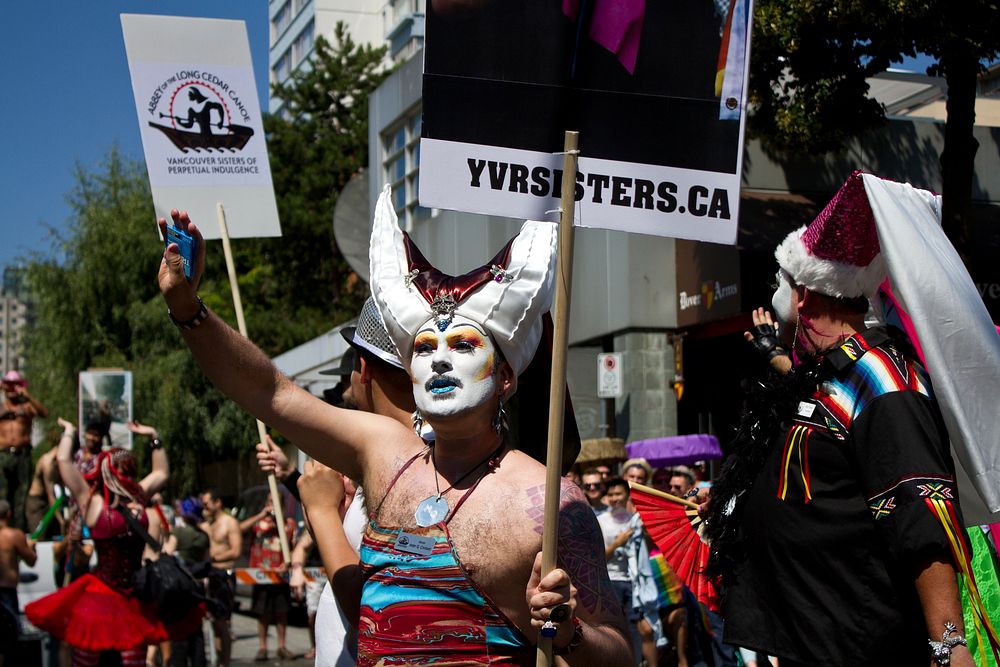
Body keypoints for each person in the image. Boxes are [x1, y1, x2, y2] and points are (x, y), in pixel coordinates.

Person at [156, 188, 630, 664]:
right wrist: (188, 308)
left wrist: (568, 631)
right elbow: (270, 392)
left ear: (505, 377)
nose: (440, 361)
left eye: (463, 345)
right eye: (424, 349)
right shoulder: (385, 453)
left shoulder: (547, 501)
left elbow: (621, 655)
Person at [707, 172, 994, 667]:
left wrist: (949, 647)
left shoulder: (882, 381)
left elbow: (920, 511)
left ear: (800, 295)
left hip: (860, 649)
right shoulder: (821, 375)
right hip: (807, 644)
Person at [256, 296, 418, 667]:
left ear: (364, 369)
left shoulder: (415, 467)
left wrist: (323, 511)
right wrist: (335, 515)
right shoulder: (394, 460)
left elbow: (371, 613)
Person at [25, 417, 183, 667]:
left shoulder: (136, 496)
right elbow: (64, 461)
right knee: (88, 658)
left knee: (133, 660)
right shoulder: (92, 500)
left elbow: (161, 472)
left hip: (133, 595)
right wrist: (70, 433)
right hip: (102, 594)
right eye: (122, 470)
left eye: (128, 470)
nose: (125, 475)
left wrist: (154, 435)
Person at [239, 496, 297, 662]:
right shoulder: (259, 524)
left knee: (281, 611)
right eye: (269, 502)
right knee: (262, 611)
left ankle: (281, 646)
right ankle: (262, 647)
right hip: (261, 575)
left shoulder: (288, 524)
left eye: (275, 502)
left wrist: (288, 562)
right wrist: (261, 514)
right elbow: (239, 529)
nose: (271, 505)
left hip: (280, 575)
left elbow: (294, 548)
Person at [1, 370, 49, 531]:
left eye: (15, 386)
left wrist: (28, 396)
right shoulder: (1, 407)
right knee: (3, 495)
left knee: (22, 495)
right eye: (9, 385)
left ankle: (19, 531)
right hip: (3, 455)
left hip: (23, 455)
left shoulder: (27, 406)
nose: (12, 390)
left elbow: (44, 413)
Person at [199, 488, 241, 667]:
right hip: (210, 575)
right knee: (214, 622)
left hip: (224, 575)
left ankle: (225, 662)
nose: (205, 507)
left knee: (223, 622)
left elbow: (236, 551)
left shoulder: (229, 523)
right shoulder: (207, 524)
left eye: (207, 503)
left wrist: (213, 559)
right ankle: (219, 662)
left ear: (218, 503)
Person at [0, 498, 36, 666]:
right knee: (9, 641)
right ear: (9, 514)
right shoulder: (14, 535)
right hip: (7, 594)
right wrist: (31, 547)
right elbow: (31, 561)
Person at [25, 444, 63, 538]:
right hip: (37, 502)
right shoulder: (48, 463)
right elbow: (51, 495)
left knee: (55, 535)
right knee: (39, 537)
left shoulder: (59, 461)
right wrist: (61, 520)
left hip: (50, 501)